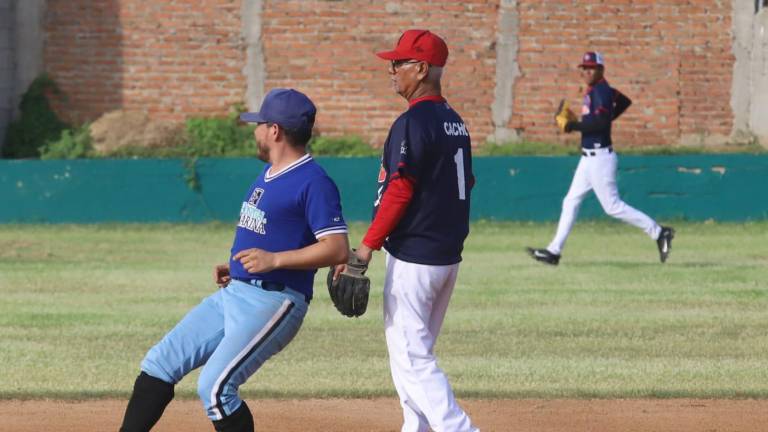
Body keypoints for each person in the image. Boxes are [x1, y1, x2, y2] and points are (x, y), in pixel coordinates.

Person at [119, 88, 349, 432]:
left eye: (259, 124)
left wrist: (274, 260)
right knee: (159, 363)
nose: (254, 131)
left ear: (275, 131)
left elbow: (337, 248)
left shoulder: (314, 181)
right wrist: (238, 267)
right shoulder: (269, 174)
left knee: (215, 389)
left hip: (275, 300)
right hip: (236, 292)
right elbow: (272, 231)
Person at [338, 29, 479, 432]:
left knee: (413, 358)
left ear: (421, 69)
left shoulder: (413, 121)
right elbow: (466, 186)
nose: (391, 70)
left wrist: (365, 248)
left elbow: (400, 188)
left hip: (416, 259)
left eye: (398, 63)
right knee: (412, 359)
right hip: (445, 257)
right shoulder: (455, 122)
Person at [527, 51, 675, 266]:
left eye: (591, 68)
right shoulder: (599, 90)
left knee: (612, 207)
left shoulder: (602, 91)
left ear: (601, 70)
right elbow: (624, 101)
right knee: (571, 201)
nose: (587, 71)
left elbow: (601, 124)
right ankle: (554, 251)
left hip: (600, 158)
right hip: (588, 159)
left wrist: (572, 125)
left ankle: (660, 231)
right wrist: (600, 119)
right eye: (584, 68)